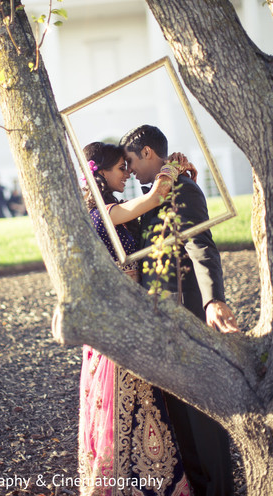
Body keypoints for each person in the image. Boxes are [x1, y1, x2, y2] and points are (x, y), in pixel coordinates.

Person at [120, 125, 239, 496]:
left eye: (131, 161)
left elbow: (201, 245)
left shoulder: (184, 190)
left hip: (184, 311)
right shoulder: (155, 194)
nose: (129, 171)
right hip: (159, 320)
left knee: (200, 414)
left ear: (149, 153)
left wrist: (212, 300)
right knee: (180, 416)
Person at [79, 141, 191, 496]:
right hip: (121, 321)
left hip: (129, 316)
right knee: (131, 399)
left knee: (143, 400)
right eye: (121, 168)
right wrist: (171, 168)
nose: (127, 174)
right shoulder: (102, 213)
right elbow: (154, 198)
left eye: (127, 167)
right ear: (100, 174)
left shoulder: (103, 209)